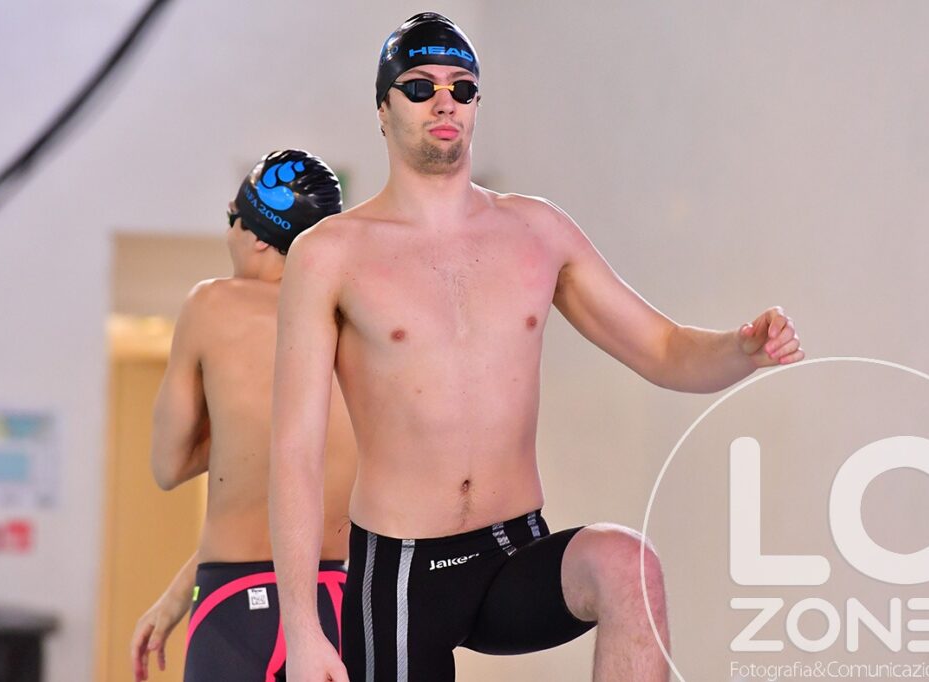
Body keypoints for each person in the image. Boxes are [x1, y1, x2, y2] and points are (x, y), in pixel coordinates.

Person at [269, 13, 804, 682]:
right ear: (382, 107)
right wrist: (302, 628)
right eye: (420, 86)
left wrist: (742, 350)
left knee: (629, 565)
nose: (445, 102)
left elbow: (664, 348)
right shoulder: (329, 255)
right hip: (403, 576)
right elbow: (295, 450)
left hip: (512, 548)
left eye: (463, 88)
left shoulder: (537, 231)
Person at [129, 150, 355, 682]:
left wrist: (233, 426)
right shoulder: (354, 322)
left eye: (231, 217)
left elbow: (167, 466)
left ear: (255, 235)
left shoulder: (211, 304)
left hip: (233, 606)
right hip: (337, 603)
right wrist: (175, 593)